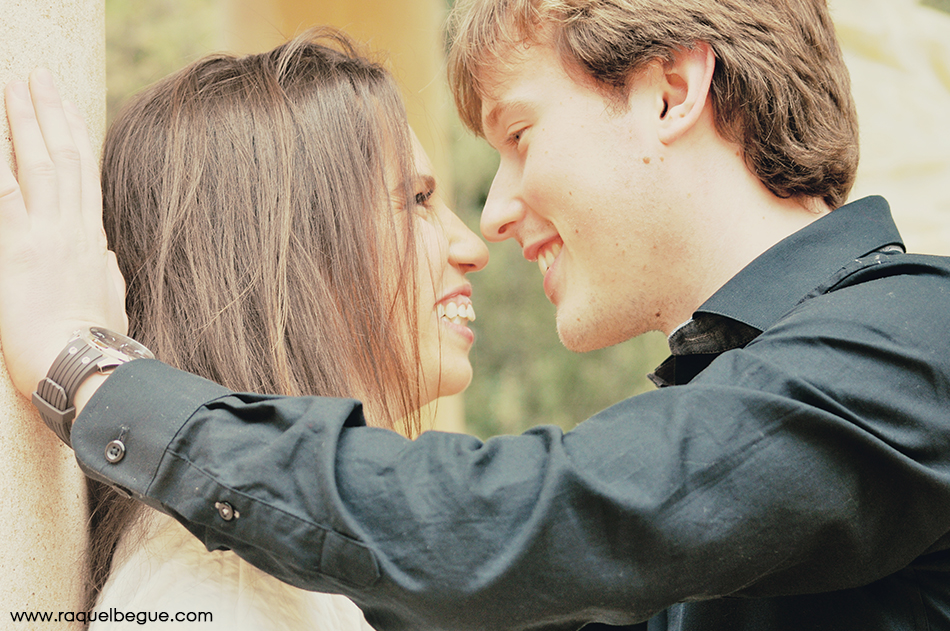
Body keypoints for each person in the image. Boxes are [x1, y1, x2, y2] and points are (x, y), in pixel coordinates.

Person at [2, 0, 950, 630]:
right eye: (417, 199)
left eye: (519, 134)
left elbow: (515, 519)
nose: (490, 220)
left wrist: (93, 374)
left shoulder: (918, 337)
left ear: (672, 91)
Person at [9, 29, 488, 630]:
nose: (473, 246)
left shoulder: (274, 577)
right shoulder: (227, 593)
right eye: (417, 199)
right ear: (289, 255)